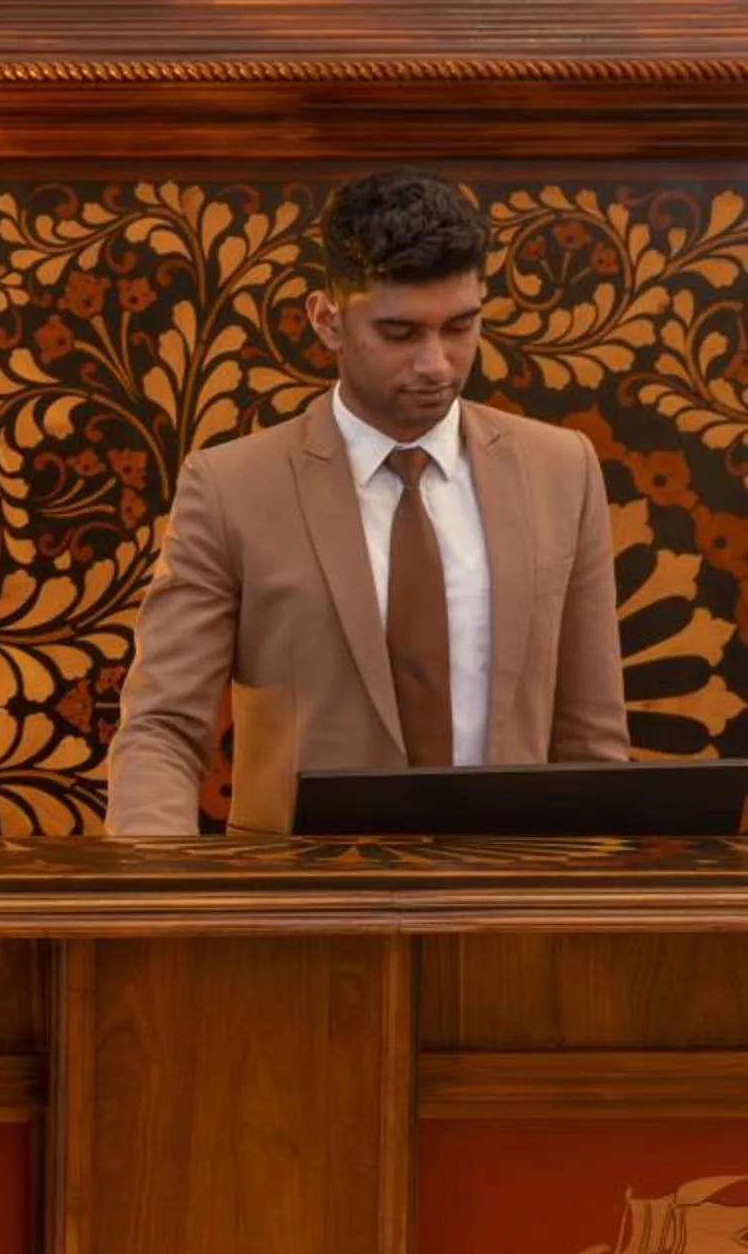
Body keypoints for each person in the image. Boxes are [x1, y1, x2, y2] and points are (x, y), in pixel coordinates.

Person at [105, 169, 631, 836]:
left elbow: (591, 742)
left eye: (460, 327)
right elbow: (164, 728)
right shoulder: (230, 487)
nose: (437, 363)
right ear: (327, 319)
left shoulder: (563, 469)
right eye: (400, 333)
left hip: (509, 907)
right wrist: (160, 913)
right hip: (295, 912)